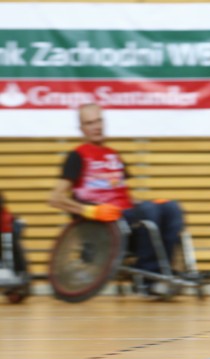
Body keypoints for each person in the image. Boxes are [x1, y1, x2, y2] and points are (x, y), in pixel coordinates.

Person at [49, 103, 184, 296]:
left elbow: (125, 196)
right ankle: (147, 279)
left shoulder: (114, 155)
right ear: (82, 129)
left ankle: (164, 272)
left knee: (171, 208)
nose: (96, 126)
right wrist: (90, 211)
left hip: (129, 218)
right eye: (90, 123)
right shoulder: (77, 156)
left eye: (99, 121)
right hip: (103, 226)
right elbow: (55, 198)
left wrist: (152, 204)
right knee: (149, 211)